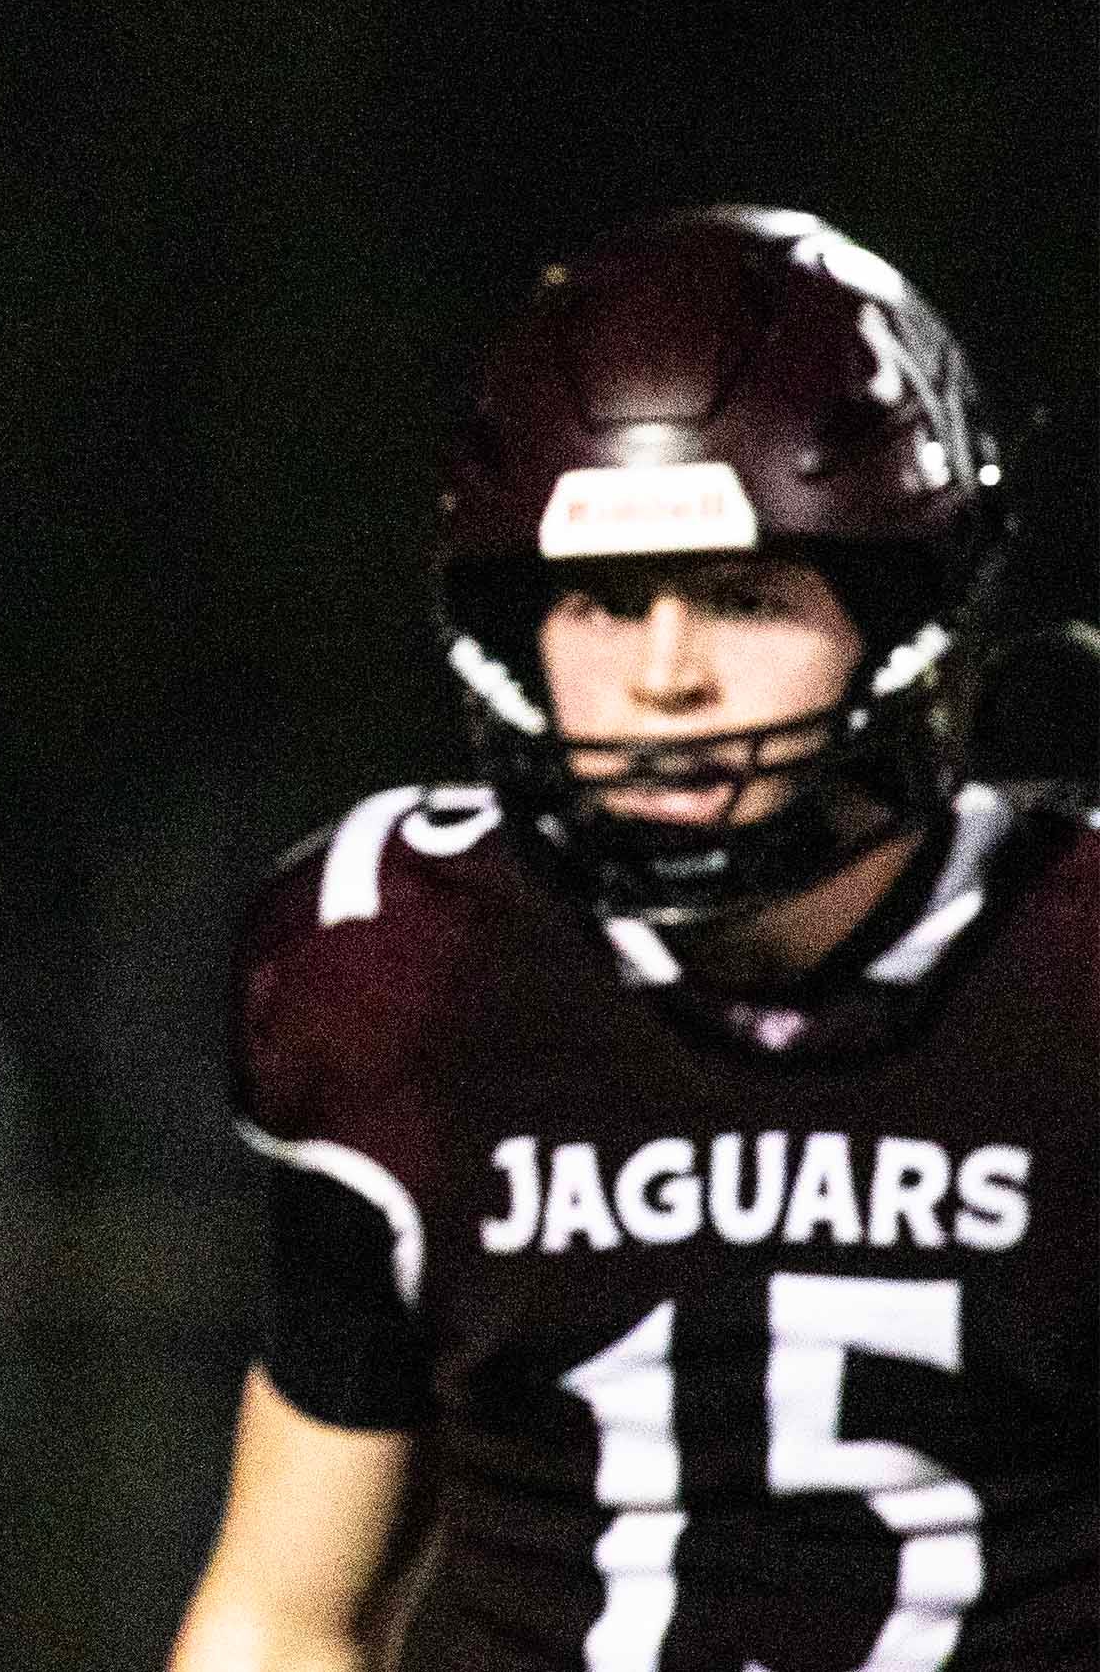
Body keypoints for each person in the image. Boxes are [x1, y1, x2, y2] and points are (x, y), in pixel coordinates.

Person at [170, 208, 1096, 1671]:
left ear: (906, 614)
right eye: (604, 601)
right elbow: (285, 1612)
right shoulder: (407, 966)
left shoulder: (1065, 971)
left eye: (742, 597)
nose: (665, 676)